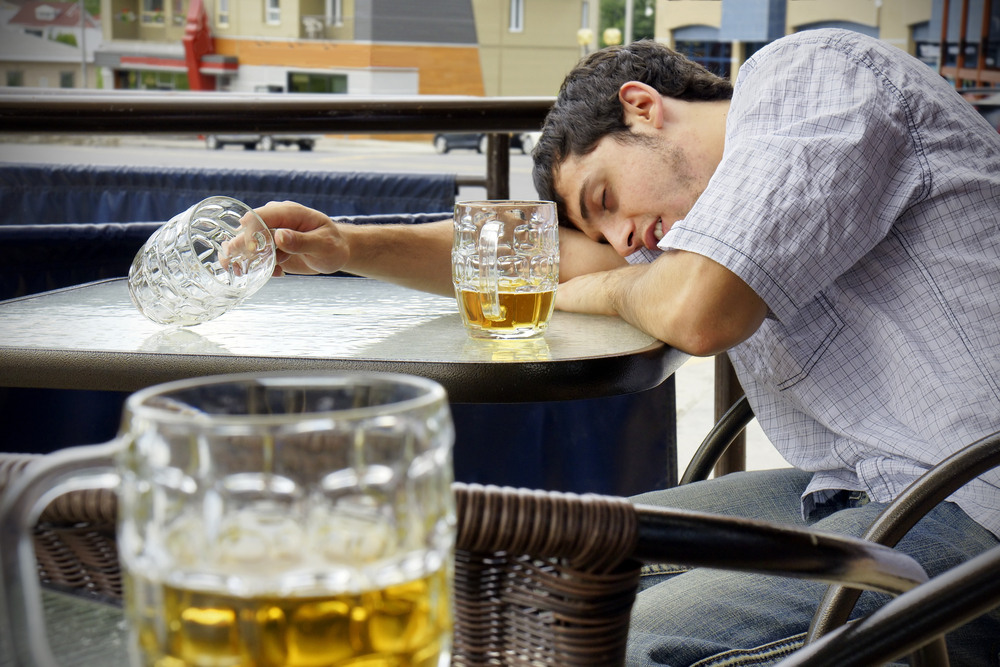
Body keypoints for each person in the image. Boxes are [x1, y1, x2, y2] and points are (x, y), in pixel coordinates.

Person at [256, 28, 1000, 665]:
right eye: (603, 230)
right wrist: (346, 241)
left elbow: (694, 310)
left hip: (976, 508)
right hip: (864, 488)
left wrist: (609, 286)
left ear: (642, 108)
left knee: (605, 642)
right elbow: (539, 257)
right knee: (543, 568)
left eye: (605, 200)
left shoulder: (807, 77)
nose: (623, 240)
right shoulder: (700, 217)